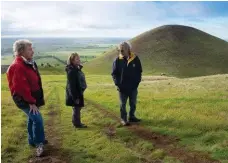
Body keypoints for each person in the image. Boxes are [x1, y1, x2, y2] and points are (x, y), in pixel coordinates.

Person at [6, 39, 47, 157]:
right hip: (25, 100)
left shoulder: (28, 62)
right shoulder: (17, 66)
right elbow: (21, 88)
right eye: (30, 49)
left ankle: (32, 140)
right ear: (21, 51)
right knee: (38, 120)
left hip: (32, 98)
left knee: (32, 119)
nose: (32, 51)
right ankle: (39, 143)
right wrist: (31, 102)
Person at [111, 42, 142, 126]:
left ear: (128, 49)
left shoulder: (135, 58)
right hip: (122, 88)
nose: (120, 51)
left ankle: (132, 116)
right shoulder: (117, 61)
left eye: (122, 49)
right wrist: (118, 84)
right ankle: (123, 119)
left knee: (133, 103)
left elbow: (139, 71)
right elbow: (114, 74)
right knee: (122, 105)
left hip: (133, 87)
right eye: (119, 49)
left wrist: (137, 83)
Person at [65, 53, 87, 128]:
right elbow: (71, 86)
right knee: (76, 108)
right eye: (77, 59)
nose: (79, 60)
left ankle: (76, 122)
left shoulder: (75, 68)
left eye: (79, 58)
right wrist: (75, 97)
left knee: (77, 108)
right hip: (75, 93)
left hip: (78, 92)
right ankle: (77, 124)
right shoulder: (72, 71)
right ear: (72, 61)